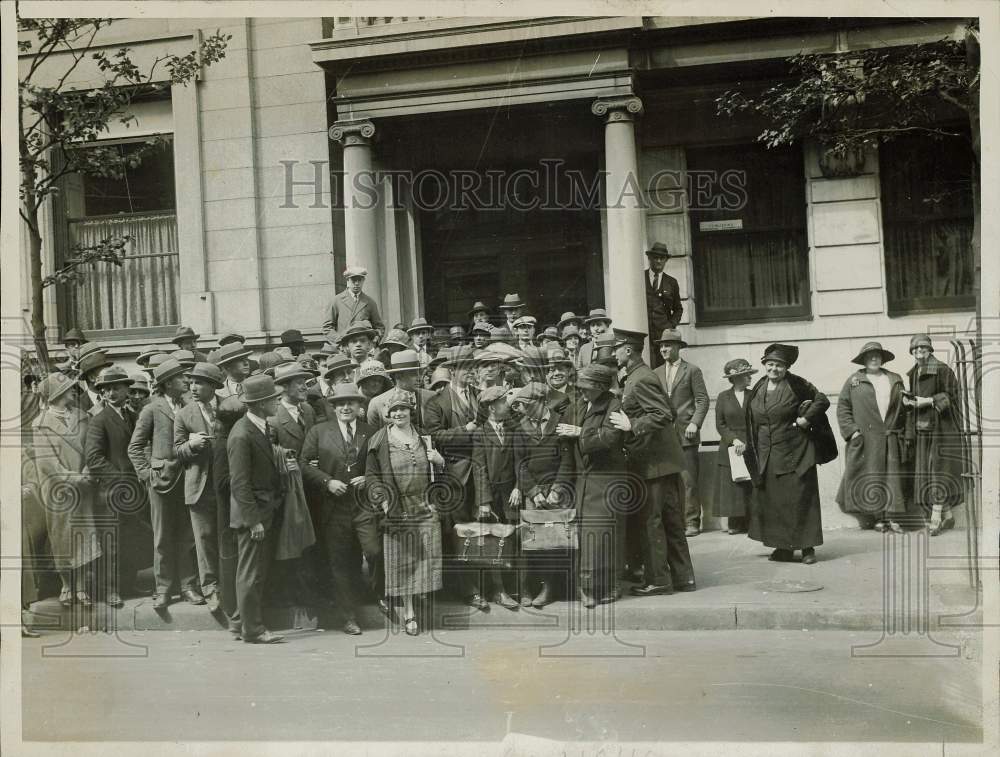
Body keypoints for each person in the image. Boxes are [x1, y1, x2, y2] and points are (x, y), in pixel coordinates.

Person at [610, 328, 694, 595]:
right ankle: (684, 578)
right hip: (662, 461)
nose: (613, 353)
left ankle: (659, 580)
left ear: (628, 350)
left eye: (616, 348)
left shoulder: (641, 378)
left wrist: (631, 424)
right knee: (670, 521)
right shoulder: (637, 376)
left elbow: (662, 415)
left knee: (653, 522)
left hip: (653, 464)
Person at [300, 383, 385, 634]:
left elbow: (382, 464)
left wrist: (368, 478)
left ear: (360, 406)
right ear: (333, 407)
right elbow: (304, 464)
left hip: (363, 506)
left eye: (351, 403)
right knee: (340, 563)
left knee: (373, 550)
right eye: (340, 403)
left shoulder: (371, 432)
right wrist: (328, 481)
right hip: (333, 507)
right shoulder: (318, 431)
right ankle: (348, 617)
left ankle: (378, 595)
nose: (346, 407)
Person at [745, 343, 838, 564]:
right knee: (775, 503)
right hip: (767, 454)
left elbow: (822, 400)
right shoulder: (759, 387)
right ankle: (783, 548)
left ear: (786, 368)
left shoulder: (797, 385)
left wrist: (806, 419)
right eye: (770, 364)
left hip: (796, 451)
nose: (774, 369)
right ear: (764, 365)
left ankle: (807, 548)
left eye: (779, 365)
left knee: (800, 498)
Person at [364, 390, 446, 636]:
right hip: (398, 508)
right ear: (388, 415)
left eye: (403, 409)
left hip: (424, 505)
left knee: (425, 557)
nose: (398, 413)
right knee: (403, 560)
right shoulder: (379, 440)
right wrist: (384, 501)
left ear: (411, 411)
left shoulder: (425, 438)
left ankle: (418, 601)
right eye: (393, 411)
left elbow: (437, 473)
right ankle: (409, 613)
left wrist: (440, 461)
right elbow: (371, 477)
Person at [128, 358, 203, 608]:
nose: (186, 380)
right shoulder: (151, 408)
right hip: (160, 482)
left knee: (187, 533)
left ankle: (189, 586)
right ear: (168, 382)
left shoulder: (189, 406)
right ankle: (163, 589)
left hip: (187, 478)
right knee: (162, 536)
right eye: (181, 377)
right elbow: (135, 447)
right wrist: (147, 473)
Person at [423, 345, 487, 610]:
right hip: (453, 475)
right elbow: (436, 436)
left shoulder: (480, 397)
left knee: (484, 531)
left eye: (473, 368)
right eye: (466, 368)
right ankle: (469, 590)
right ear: (453, 371)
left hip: (482, 474)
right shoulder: (436, 402)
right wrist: (466, 429)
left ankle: (489, 586)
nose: (471, 372)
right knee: (460, 533)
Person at [228, 374, 287, 643]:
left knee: (255, 570)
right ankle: (253, 630)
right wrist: (254, 521)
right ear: (261, 403)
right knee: (251, 573)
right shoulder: (242, 434)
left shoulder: (259, 427)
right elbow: (239, 484)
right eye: (274, 399)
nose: (278, 402)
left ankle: (240, 622)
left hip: (263, 509)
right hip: (253, 515)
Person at [34, 372, 102, 607]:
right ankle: (66, 585)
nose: (74, 391)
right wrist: (72, 478)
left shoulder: (83, 418)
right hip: (57, 488)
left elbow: (92, 448)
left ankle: (81, 586)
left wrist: (88, 472)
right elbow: (46, 462)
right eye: (69, 389)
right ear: (57, 394)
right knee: (62, 536)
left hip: (84, 485)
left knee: (84, 535)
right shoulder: (41, 424)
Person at [84, 366, 149, 607]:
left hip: (134, 490)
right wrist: (120, 479)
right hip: (111, 491)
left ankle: (129, 584)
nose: (110, 393)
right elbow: (94, 458)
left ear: (126, 390)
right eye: (106, 389)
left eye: (116, 388)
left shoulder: (133, 416)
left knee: (130, 538)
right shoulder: (99, 420)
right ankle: (110, 589)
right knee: (111, 542)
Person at [565, 363, 627, 607]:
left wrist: (580, 433)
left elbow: (611, 438)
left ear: (601, 388)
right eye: (580, 388)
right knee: (587, 535)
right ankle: (588, 587)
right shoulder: (580, 403)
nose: (582, 392)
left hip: (606, 478)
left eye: (587, 388)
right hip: (585, 479)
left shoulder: (613, 404)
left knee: (605, 534)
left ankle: (611, 584)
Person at [510, 382, 576, 607]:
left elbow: (568, 460)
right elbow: (519, 464)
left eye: (529, 405)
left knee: (554, 541)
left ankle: (549, 588)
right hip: (534, 493)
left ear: (543, 402)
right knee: (531, 542)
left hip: (558, 492)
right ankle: (528, 588)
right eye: (523, 405)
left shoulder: (561, 424)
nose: (525, 409)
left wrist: (557, 490)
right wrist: (534, 491)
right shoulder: (521, 428)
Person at [834, 342, 911, 533]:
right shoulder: (855, 380)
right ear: (864, 360)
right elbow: (843, 407)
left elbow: (904, 406)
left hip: (891, 435)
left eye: (877, 355)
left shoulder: (894, 378)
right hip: (867, 438)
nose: (874, 359)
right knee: (871, 475)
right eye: (870, 356)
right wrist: (852, 431)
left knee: (892, 477)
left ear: (882, 358)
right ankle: (877, 518)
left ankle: (893, 518)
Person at [902, 334, 968, 535]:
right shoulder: (914, 372)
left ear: (930, 350)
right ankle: (947, 516)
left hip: (942, 429)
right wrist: (909, 402)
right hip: (923, 429)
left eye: (923, 348)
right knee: (928, 472)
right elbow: (916, 397)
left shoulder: (942, 369)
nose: (919, 352)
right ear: (912, 352)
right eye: (915, 349)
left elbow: (954, 395)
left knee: (937, 472)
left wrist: (929, 401)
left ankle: (935, 519)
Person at [173, 362, 225, 609]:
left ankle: (229, 585)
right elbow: (177, 450)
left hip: (226, 484)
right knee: (203, 539)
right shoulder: (184, 414)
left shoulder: (230, 407)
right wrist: (191, 446)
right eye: (191, 382)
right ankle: (210, 588)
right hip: (199, 487)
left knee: (226, 535)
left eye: (200, 383)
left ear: (214, 386)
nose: (193, 387)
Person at [654, 328, 709, 537]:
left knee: (689, 481)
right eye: (661, 346)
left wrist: (695, 423)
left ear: (678, 347)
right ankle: (674, 522)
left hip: (687, 434)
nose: (664, 349)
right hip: (664, 435)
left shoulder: (692, 370)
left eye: (667, 345)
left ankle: (692, 521)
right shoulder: (656, 372)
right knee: (668, 482)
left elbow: (702, 400)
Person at [471, 386, 520, 610]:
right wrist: (484, 501)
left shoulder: (513, 429)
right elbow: (479, 468)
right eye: (503, 402)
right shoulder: (480, 433)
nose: (507, 405)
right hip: (492, 499)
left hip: (511, 495)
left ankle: (515, 588)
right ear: (492, 408)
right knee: (493, 544)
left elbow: (521, 462)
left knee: (513, 540)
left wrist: (518, 487)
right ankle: (499, 590)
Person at [212, 395, 247, 638]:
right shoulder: (224, 444)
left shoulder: (229, 439)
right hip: (230, 513)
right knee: (232, 562)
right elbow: (222, 483)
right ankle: (235, 613)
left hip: (236, 510)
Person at [713, 359, 757, 535]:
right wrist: (734, 440)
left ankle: (752, 523)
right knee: (734, 485)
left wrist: (748, 442)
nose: (750, 378)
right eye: (747, 375)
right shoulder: (723, 397)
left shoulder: (754, 395)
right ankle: (735, 523)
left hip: (751, 444)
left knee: (751, 483)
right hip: (730, 446)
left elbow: (758, 421)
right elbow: (720, 424)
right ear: (736, 378)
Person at [368, 349, 435, 430]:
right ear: (398, 376)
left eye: (419, 373)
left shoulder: (432, 398)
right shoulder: (377, 404)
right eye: (413, 374)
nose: (419, 378)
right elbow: (374, 439)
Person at [643, 243, 682, 368]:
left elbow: (678, 309)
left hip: (663, 337)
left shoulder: (671, 282)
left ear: (666, 260)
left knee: (664, 369)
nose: (659, 261)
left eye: (662, 258)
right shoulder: (639, 278)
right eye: (655, 257)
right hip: (644, 334)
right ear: (650, 259)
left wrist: (670, 326)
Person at [324, 265, 385, 338]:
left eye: (359, 280)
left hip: (363, 346)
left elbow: (379, 328)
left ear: (363, 280)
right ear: (347, 280)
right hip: (343, 345)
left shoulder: (370, 302)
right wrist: (339, 340)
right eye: (353, 280)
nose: (356, 283)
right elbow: (327, 328)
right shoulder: (336, 300)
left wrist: (374, 340)